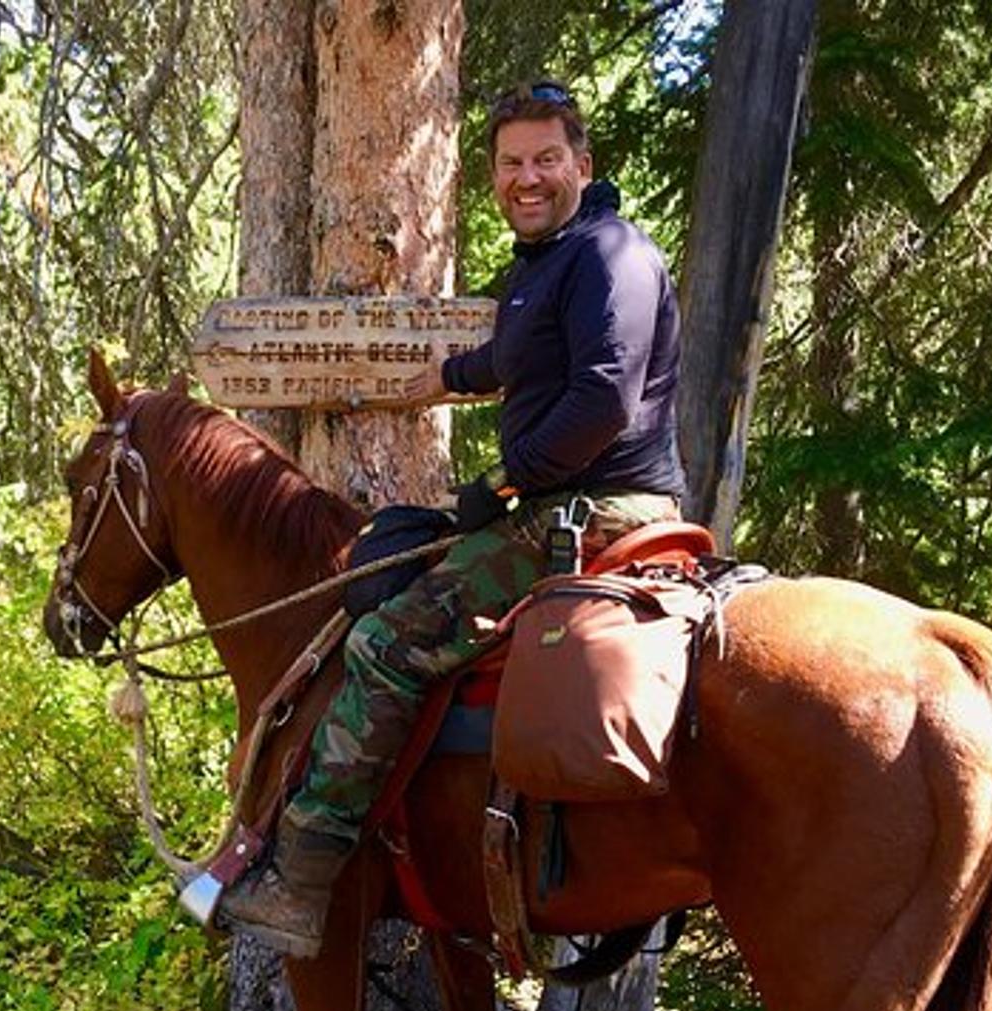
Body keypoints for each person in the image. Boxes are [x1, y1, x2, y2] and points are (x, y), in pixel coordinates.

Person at [217, 80, 688, 957]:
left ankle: (302, 875)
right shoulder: (548, 263)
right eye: (512, 163)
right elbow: (517, 356)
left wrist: (503, 487)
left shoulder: (609, 253)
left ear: (582, 165)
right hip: (554, 497)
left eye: (547, 158)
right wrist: (443, 379)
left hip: (592, 509)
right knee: (392, 552)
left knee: (389, 639)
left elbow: (600, 401)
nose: (528, 177)